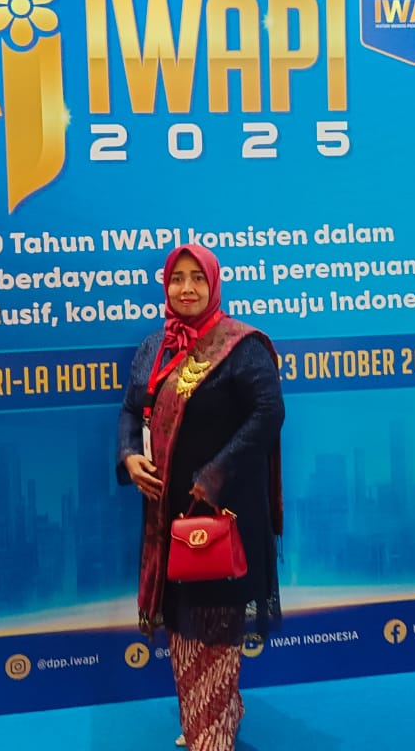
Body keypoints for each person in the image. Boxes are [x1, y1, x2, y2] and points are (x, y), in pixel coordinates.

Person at [118, 244, 284, 751]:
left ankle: (209, 732)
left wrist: (214, 474)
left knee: (214, 620)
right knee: (183, 620)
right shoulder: (155, 347)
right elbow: (131, 410)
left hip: (223, 514)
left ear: (213, 285)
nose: (186, 288)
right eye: (177, 278)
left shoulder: (241, 345)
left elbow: (269, 413)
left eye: (197, 278)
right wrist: (129, 456)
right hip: (166, 515)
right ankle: (211, 711)